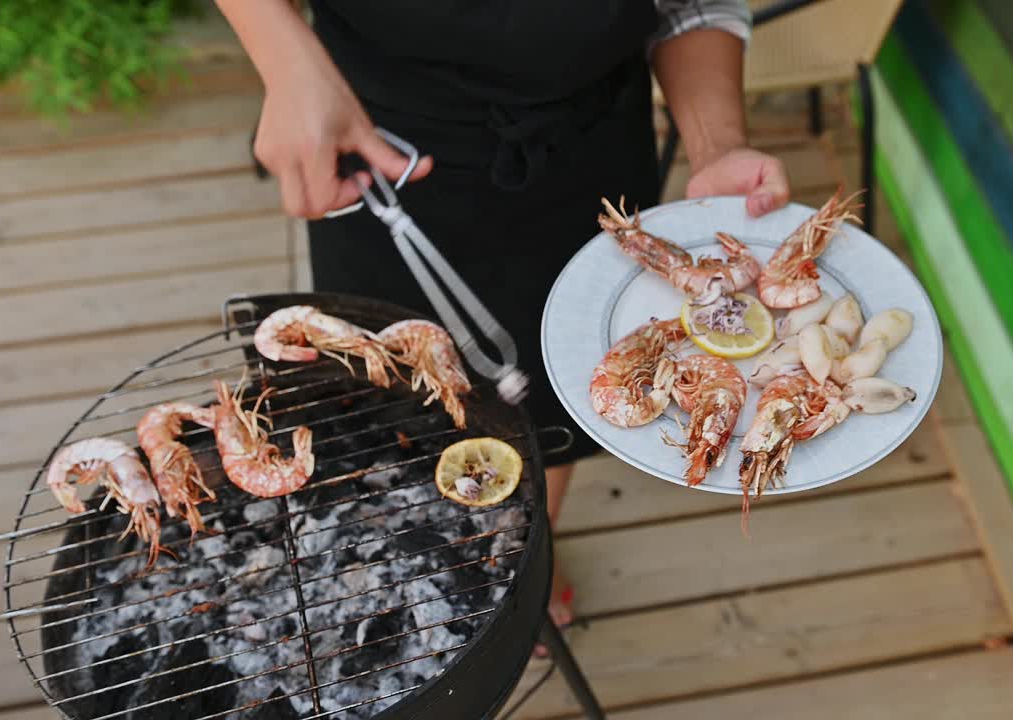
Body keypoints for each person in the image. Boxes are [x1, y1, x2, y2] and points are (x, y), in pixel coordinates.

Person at [215, 0, 791, 650]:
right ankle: (423, 551)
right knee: (386, 395)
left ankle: (524, 546)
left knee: (554, 400)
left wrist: (718, 146)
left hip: (583, 148)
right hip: (379, 134)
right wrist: (283, 56)